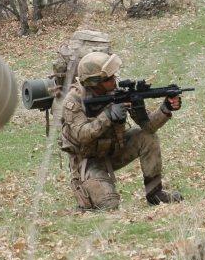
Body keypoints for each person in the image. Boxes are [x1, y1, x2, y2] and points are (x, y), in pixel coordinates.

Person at [59, 51, 183, 211]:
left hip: (114, 151)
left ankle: (155, 194)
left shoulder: (117, 93)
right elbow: (82, 135)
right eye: (110, 78)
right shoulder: (74, 100)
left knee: (146, 137)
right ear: (95, 82)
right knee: (109, 205)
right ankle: (88, 190)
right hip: (88, 162)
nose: (115, 80)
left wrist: (166, 108)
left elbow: (148, 127)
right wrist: (108, 115)